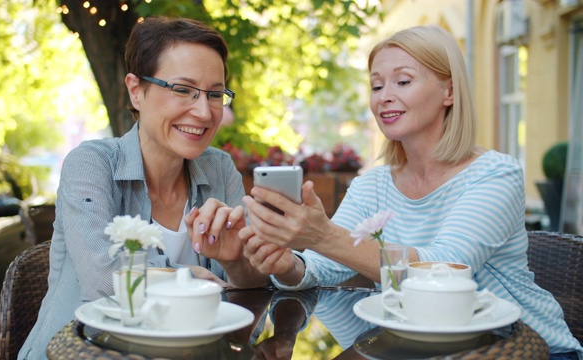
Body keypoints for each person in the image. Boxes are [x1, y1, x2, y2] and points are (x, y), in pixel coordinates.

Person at [239, 25, 583, 359]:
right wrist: (289, 265)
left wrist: (321, 234)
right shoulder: (371, 185)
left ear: (449, 92)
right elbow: (323, 268)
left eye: (403, 81)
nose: (385, 96)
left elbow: (445, 269)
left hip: (527, 348)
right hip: (418, 349)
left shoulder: (495, 174)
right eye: (376, 85)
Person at [19, 16, 270, 359]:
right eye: (183, 89)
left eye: (214, 94)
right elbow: (103, 277)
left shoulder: (219, 167)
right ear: (136, 90)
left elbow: (251, 282)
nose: (203, 111)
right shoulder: (92, 164)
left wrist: (238, 261)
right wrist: (185, 275)